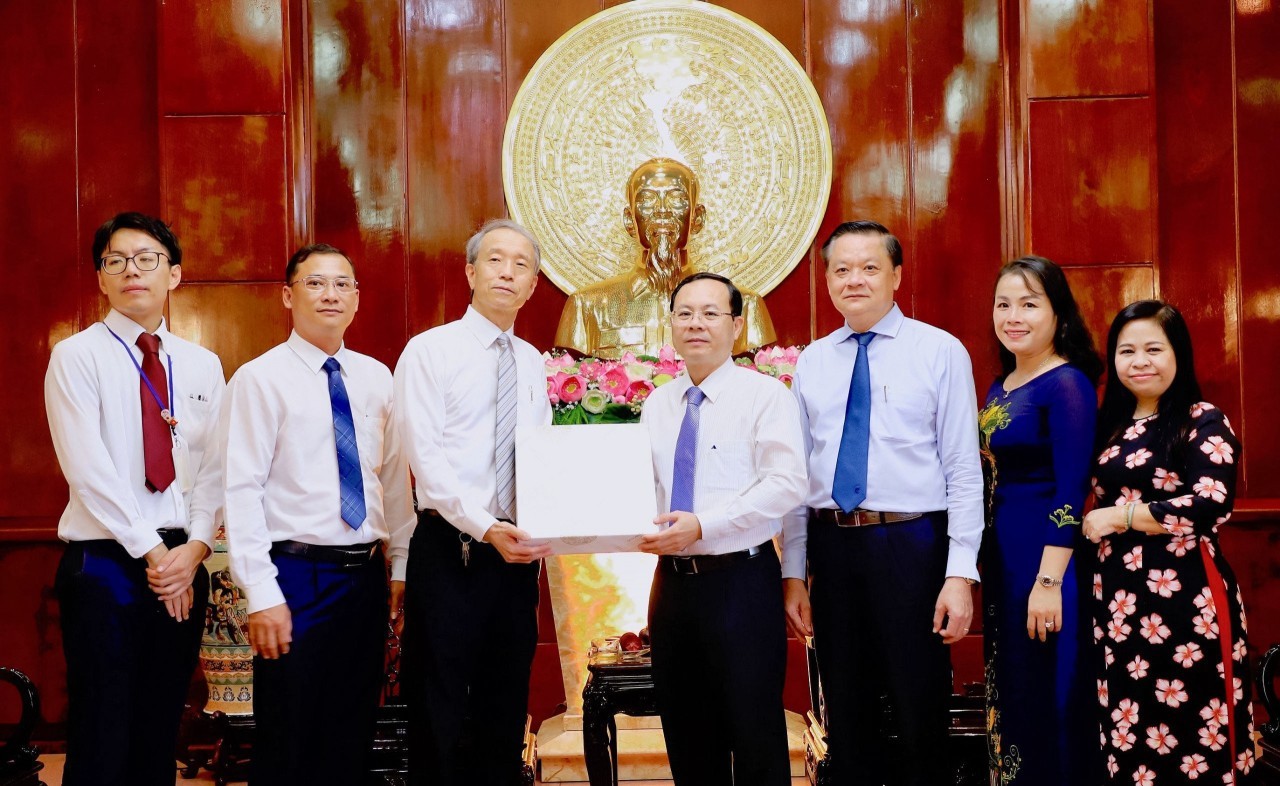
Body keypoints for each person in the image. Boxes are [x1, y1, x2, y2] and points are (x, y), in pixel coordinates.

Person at [781, 220, 982, 785]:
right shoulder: (812, 362)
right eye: (841, 269)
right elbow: (797, 478)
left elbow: (965, 469)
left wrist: (959, 572)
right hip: (832, 544)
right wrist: (794, 573)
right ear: (826, 280)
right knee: (845, 710)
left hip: (911, 544)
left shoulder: (939, 351)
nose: (855, 280)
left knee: (919, 707)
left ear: (896, 274)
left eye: (869, 267)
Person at [221, 243, 413, 784]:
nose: (330, 294)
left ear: (356, 299)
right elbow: (241, 488)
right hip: (295, 576)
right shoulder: (260, 379)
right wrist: (262, 593)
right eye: (315, 283)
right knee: (290, 734)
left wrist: (398, 567)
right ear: (288, 296)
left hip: (364, 577)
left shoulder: (377, 378)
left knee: (351, 730)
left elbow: (392, 482)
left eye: (342, 284)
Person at [45, 212, 224, 786]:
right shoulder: (76, 357)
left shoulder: (202, 363)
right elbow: (88, 470)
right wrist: (155, 557)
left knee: (160, 724)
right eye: (116, 261)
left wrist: (194, 549)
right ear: (101, 279)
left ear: (174, 274)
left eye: (147, 259)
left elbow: (214, 467)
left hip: (181, 561)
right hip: (106, 563)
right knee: (103, 726)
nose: (131, 271)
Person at [394, 219, 553, 785]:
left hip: (516, 555)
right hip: (452, 547)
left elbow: (540, 458)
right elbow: (428, 466)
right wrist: (487, 527)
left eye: (522, 265)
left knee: (505, 700)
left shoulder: (533, 361)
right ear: (470, 271)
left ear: (534, 283)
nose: (508, 272)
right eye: (494, 260)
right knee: (438, 704)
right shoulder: (429, 351)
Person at [639, 272, 807, 785]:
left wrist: (703, 525)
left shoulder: (765, 398)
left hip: (741, 582)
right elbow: (638, 490)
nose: (696, 324)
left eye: (711, 313)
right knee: (688, 737)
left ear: (736, 325)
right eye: (685, 313)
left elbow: (787, 484)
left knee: (754, 735)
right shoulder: (656, 404)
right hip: (671, 588)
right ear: (670, 324)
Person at [1082, 301, 1256, 784]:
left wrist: (1123, 515)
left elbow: (1211, 503)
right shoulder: (1111, 425)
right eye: (1126, 350)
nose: (1140, 361)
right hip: (1118, 601)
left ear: (1178, 354)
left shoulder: (1202, 419)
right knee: (1129, 727)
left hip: (1188, 598)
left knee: (1197, 724)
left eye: (1154, 349)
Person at [980, 256, 1102, 785]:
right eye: (1004, 304)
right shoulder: (999, 385)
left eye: (1030, 304)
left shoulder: (1067, 385)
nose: (1014, 316)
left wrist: (1049, 581)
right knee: (1015, 688)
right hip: (1003, 559)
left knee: (1052, 691)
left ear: (1058, 313)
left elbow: (1073, 489)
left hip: (1047, 562)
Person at [555, 157, 775, 357]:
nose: (662, 210)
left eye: (677, 199)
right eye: (647, 200)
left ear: (697, 218)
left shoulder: (745, 306)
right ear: (629, 221)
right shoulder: (587, 306)